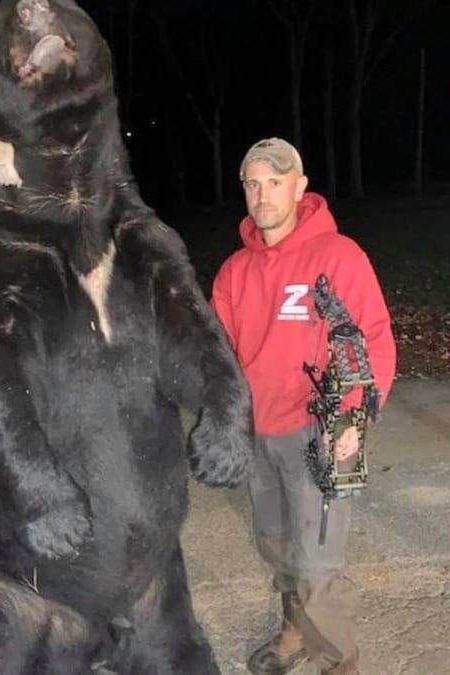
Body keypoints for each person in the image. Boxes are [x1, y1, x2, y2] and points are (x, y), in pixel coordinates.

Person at [211, 138, 396, 675]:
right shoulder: (233, 272)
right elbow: (217, 355)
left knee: (317, 568)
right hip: (257, 434)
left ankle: (340, 665)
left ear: (300, 187)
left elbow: (373, 340)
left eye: (275, 182)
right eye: (253, 184)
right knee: (276, 545)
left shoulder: (338, 256)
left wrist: (354, 416)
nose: (263, 194)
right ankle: (294, 632)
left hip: (319, 434)